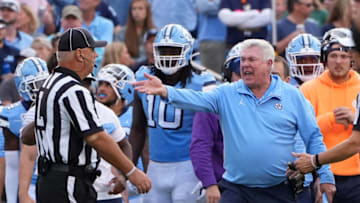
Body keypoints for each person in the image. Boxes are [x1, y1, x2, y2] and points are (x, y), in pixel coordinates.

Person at [133, 38, 330, 203]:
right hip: (236, 190)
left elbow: (313, 137)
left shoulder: (293, 96)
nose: (245, 65)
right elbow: (196, 99)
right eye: (243, 60)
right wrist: (166, 90)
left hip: (279, 189)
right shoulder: (227, 93)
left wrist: (326, 176)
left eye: (252, 60)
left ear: (269, 64)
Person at [34, 27, 151, 203]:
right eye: (93, 50)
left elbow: (29, 134)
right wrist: (131, 171)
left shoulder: (48, 84)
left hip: (48, 179)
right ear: (80, 54)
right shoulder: (73, 90)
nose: (96, 56)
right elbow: (96, 138)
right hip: (69, 182)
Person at [129, 24, 215, 203]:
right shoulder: (142, 76)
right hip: (155, 166)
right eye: (163, 50)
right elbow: (138, 129)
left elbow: (212, 133)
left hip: (189, 167)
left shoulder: (203, 82)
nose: (168, 56)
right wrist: (128, 169)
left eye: (173, 50)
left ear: (188, 51)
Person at [295, 28, 360, 203]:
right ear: (324, 58)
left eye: (344, 56)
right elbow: (300, 134)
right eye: (333, 55)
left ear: (352, 59)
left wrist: (355, 118)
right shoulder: (308, 89)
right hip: (320, 171)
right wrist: (330, 119)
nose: (339, 61)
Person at [190, 42, 242, 203]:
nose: (246, 78)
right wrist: (210, 183)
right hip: (226, 183)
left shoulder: (272, 101)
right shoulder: (214, 103)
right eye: (240, 73)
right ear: (228, 74)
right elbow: (200, 146)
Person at [0, 57, 49, 203]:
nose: (42, 88)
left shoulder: (56, 104)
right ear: (23, 87)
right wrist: (12, 199)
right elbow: (12, 165)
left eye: (44, 82)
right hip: (30, 181)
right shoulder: (12, 115)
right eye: (37, 84)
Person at [96, 64, 145, 203]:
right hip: (105, 186)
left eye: (108, 85)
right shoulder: (92, 115)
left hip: (134, 186)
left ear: (124, 89)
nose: (101, 89)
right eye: (100, 84)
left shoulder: (134, 116)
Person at [0, 17, 19, 83]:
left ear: (6, 30)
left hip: (9, 89)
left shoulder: (15, 52)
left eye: (2, 28)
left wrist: (15, 76)